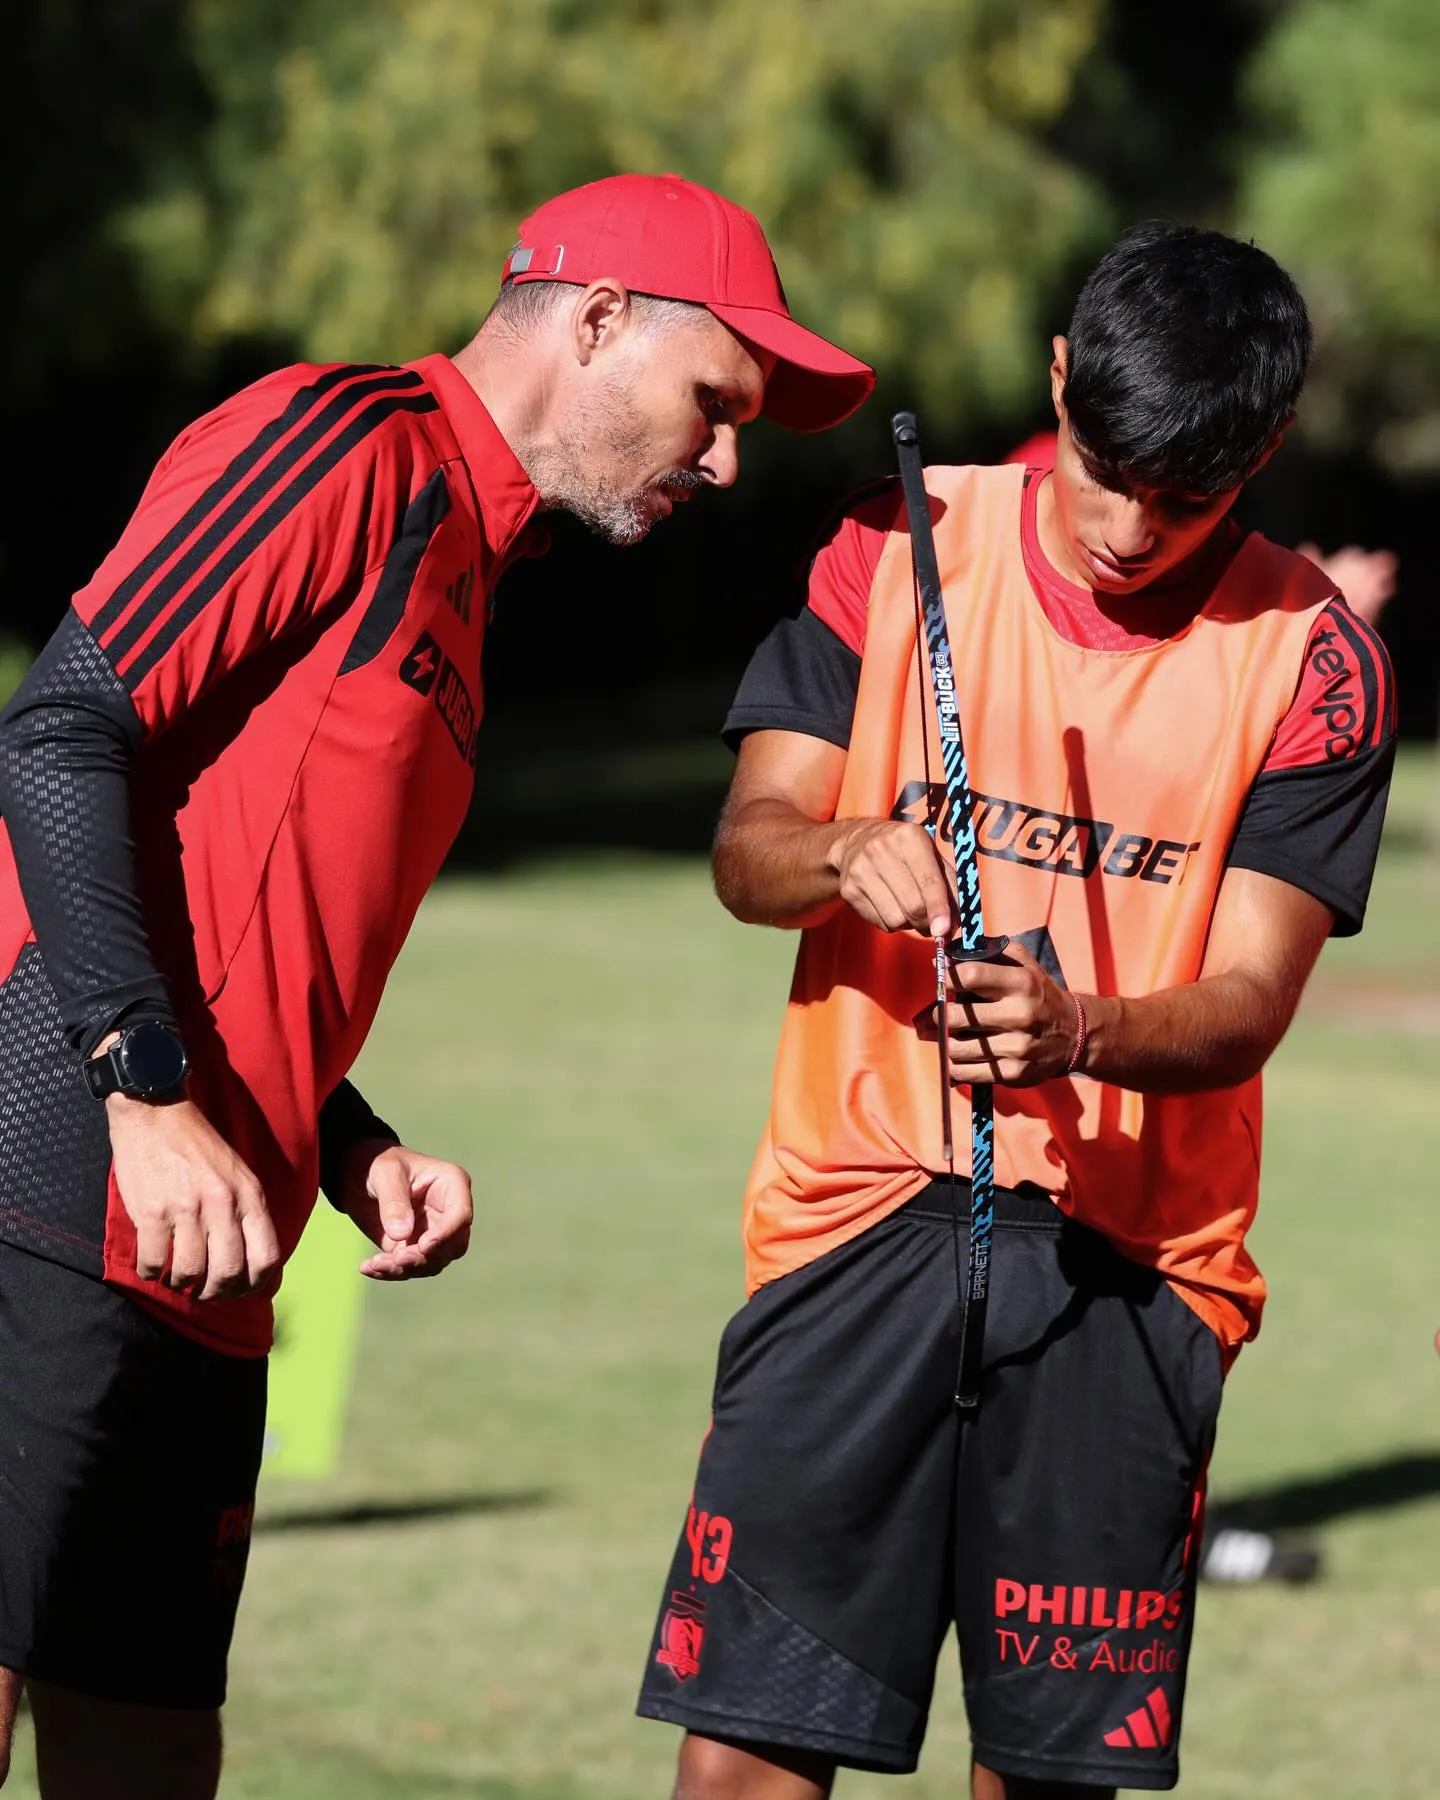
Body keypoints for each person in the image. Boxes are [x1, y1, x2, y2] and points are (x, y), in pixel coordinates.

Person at [0, 172, 872, 1799]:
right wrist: (143, 1088)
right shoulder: (351, 441)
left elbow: (234, 891)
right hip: (46, 1177)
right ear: (598, 320)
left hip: (210, 1244)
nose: (728, 456)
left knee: (144, 1758)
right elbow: (61, 728)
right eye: (715, 404)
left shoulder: (473, 568)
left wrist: (346, 1144)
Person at [636, 221, 1395, 1797]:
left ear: (1266, 449)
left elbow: (1252, 1001)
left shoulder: (1315, 661)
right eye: (1101, 466)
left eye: (1186, 498)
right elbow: (747, 853)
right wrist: (841, 847)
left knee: (1049, 1779)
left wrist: (1083, 1034)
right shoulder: (894, 542)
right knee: (745, 1767)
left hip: (1131, 1269)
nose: (1127, 529)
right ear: (1057, 380)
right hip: (857, 1222)